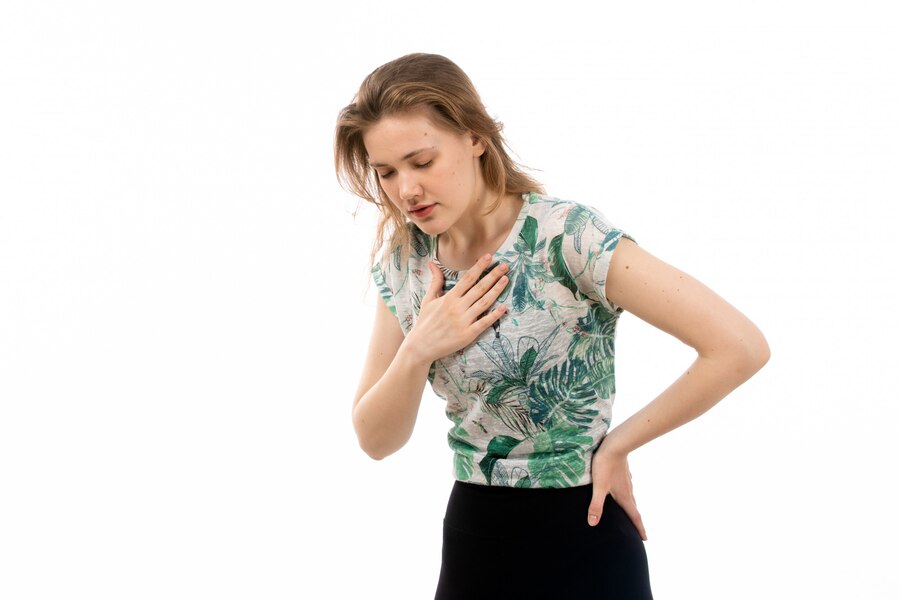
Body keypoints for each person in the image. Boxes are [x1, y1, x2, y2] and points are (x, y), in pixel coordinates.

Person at [334, 53, 770, 599]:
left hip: (584, 535)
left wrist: (616, 447)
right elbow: (375, 440)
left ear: (475, 137)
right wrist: (420, 346)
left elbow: (739, 346)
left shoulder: (566, 238)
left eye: (421, 161)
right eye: (387, 172)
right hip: (475, 544)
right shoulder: (406, 263)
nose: (407, 190)